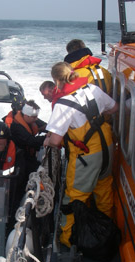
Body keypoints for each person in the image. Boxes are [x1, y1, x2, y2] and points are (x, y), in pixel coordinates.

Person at [44, 62, 118, 248]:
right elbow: (114, 108)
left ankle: (67, 240)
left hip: (86, 156)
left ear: (56, 81)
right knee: (104, 189)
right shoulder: (93, 88)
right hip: (107, 147)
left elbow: (55, 140)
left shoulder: (63, 104)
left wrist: (47, 141)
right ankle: (105, 228)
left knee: (74, 197)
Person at [10, 100, 46, 177]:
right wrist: (47, 138)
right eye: (34, 117)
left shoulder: (31, 119)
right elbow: (30, 141)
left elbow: (45, 126)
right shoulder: (16, 127)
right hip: (20, 159)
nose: (36, 119)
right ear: (26, 115)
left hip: (30, 156)